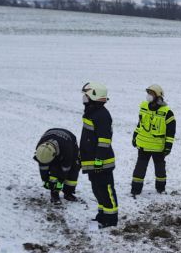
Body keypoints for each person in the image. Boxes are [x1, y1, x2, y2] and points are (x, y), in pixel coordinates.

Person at [79, 82, 119, 228]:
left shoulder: (102, 115)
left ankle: (111, 219)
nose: (84, 97)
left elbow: (104, 141)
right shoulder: (92, 112)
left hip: (101, 162)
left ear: (94, 95)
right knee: (98, 190)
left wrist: (98, 160)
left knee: (106, 190)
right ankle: (102, 215)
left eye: (86, 94)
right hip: (92, 162)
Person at [131, 84, 176, 196]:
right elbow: (140, 124)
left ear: (158, 96)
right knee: (140, 168)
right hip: (143, 144)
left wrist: (168, 146)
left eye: (151, 93)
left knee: (160, 169)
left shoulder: (167, 112)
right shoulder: (143, 107)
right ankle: (135, 190)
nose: (148, 95)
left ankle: (161, 189)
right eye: (148, 93)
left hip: (158, 147)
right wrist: (135, 135)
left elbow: (171, 132)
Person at [33, 128, 80, 203]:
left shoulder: (67, 151)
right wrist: (45, 180)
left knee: (73, 169)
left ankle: (68, 193)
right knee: (54, 168)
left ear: (54, 155)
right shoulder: (40, 149)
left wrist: (60, 181)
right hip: (53, 137)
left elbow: (65, 169)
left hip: (70, 142)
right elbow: (42, 165)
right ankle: (54, 193)